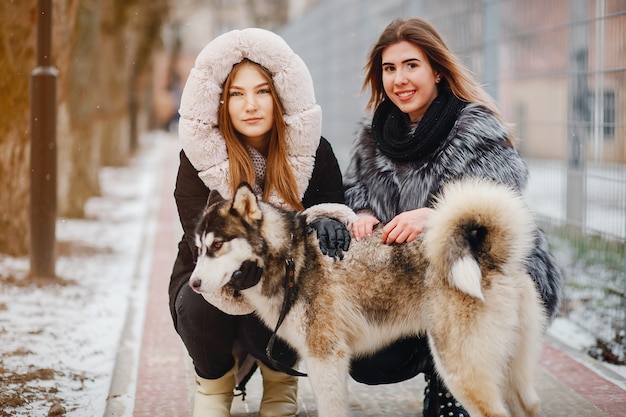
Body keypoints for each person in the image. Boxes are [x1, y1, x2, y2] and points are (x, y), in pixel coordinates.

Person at [343, 17, 564, 417]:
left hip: (486, 276)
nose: (399, 79)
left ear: (437, 71)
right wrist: (360, 211)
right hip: (415, 284)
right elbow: (355, 189)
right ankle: (442, 365)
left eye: (412, 65)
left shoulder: (473, 126)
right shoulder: (372, 136)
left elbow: (502, 195)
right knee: (367, 361)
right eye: (389, 69)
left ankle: (452, 384)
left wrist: (437, 216)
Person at [169, 28, 349, 417]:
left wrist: (327, 220)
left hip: (286, 281)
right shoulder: (198, 160)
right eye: (237, 94)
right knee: (197, 306)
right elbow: (195, 236)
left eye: (262, 91)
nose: (250, 104)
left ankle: (280, 382)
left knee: (288, 293)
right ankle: (214, 388)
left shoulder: (314, 151)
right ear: (221, 102)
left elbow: (332, 208)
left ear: (281, 96)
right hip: (208, 280)